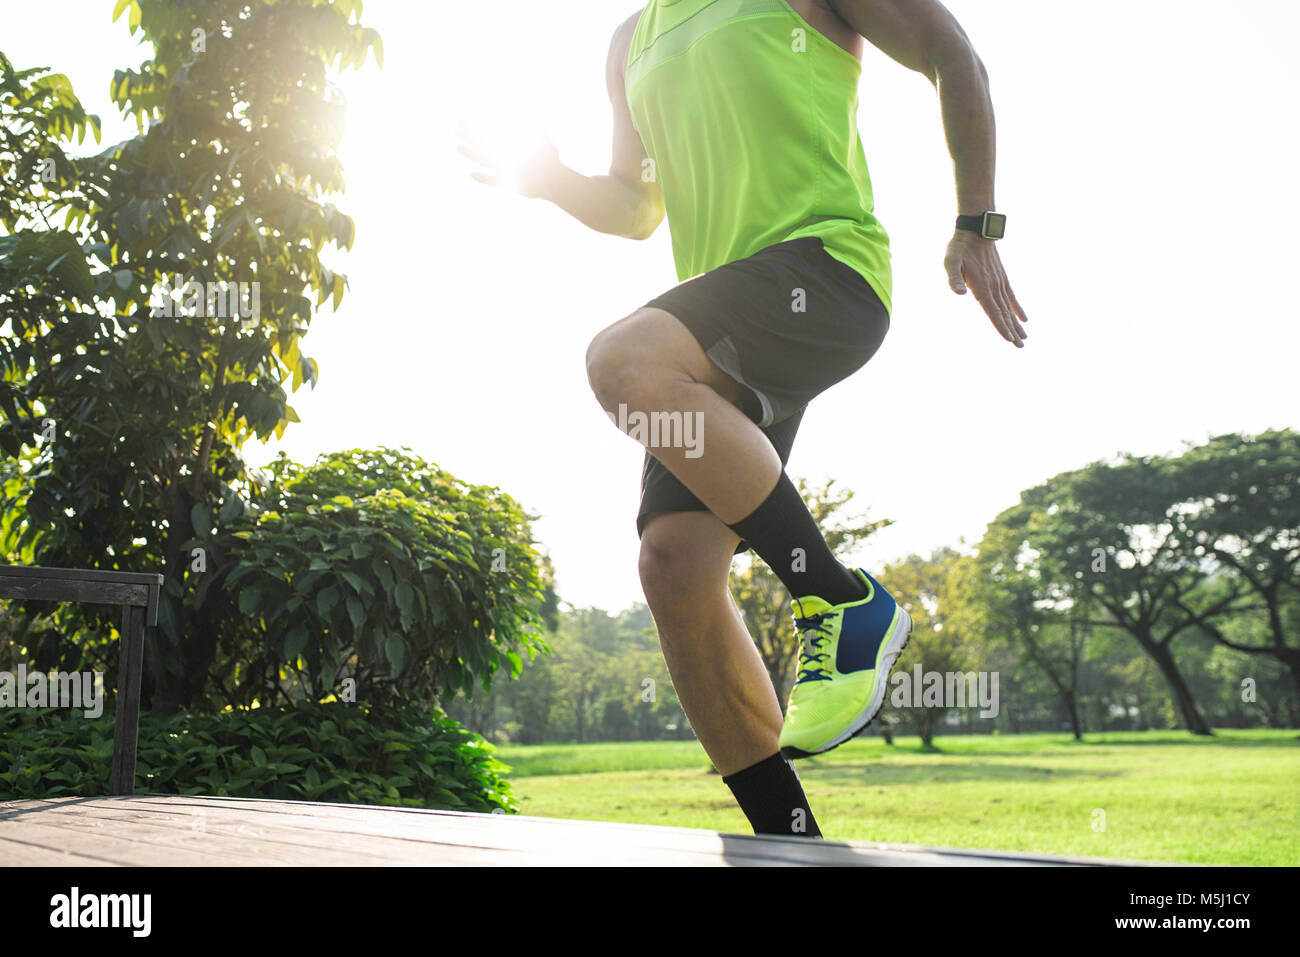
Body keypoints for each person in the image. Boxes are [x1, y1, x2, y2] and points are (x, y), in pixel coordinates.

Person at [458, 0, 1028, 839]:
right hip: (722, 327)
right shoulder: (630, 40)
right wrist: (551, 180)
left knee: (623, 362)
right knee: (674, 565)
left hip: (826, 270)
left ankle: (840, 599)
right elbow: (636, 205)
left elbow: (952, 51)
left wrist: (977, 222)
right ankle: (788, 839)